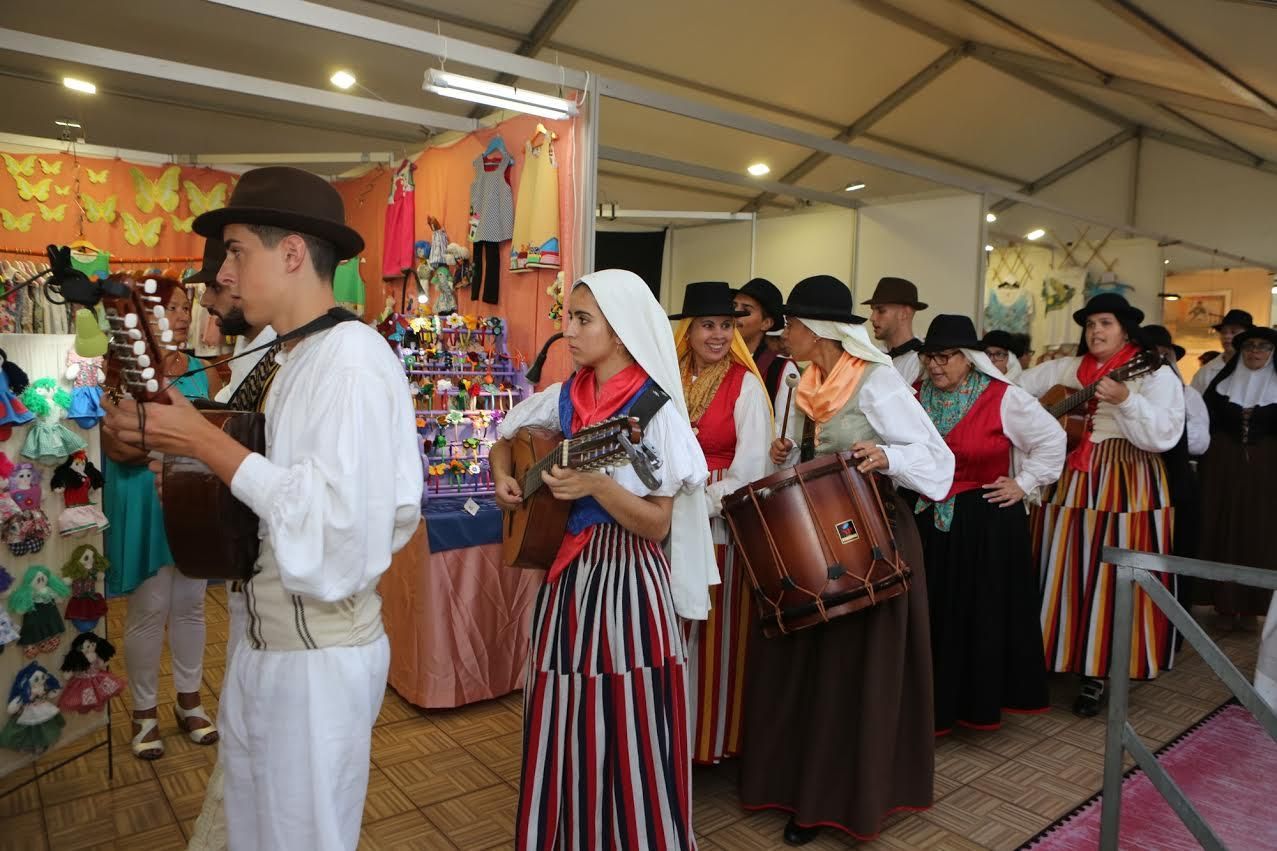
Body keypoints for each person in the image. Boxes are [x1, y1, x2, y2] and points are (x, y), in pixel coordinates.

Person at [102, 166, 422, 851]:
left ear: (293, 253)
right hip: (260, 641)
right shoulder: (272, 357)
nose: (224, 272)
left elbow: (337, 527)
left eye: (237, 250)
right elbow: (254, 480)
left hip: (317, 665)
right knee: (252, 829)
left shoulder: (351, 361)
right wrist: (168, 452)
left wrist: (200, 442)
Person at [489, 269, 714, 850]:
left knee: (628, 712)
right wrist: (504, 477)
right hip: (568, 581)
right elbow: (504, 435)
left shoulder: (654, 411)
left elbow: (657, 522)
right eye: (569, 317)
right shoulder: (566, 396)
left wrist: (598, 486)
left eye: (582, 320)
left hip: (627, 584)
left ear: (620, 332)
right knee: (562, 706)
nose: (567, 331)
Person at [741, 275, 953, 845]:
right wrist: (784, 451)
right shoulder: (801, 381)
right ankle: (796, 785)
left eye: (792, 324)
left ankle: (838, 799)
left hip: (870, 538)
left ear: (818, 330)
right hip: (810, 537)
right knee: (803, 663)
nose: (784, 334)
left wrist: (887, 456)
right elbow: (802, 459)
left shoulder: (878, 382)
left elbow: (938, 462)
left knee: (850, 672)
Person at [1020, 294, 1185, 717]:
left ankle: (1100, 670)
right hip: (1070, 480)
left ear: (1126, 330)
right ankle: (1056, 652)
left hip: (1127, 480)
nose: (1096, 331)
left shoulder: (1153, 372)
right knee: (1061, 566)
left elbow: (1165, 434)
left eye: (1105, 323)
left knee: (1113, 574)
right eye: (1091, 324)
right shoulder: (1068, 369)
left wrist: (1127, 399)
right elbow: (1016, 389)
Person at [912, 315, 1065, 734]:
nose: (935, 366)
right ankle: (929, 708)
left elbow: (1052, 440)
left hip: (984, 523)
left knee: (977, 614)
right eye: (929, 357)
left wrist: (1023, 483)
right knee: (934, 614)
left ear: (968, 358)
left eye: (945, 357)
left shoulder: (1003, 397)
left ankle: (972, 706)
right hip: (927, 520)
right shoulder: (915, 395)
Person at [102, 276, 223, 760]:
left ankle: (190, 701)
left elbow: (217, 435)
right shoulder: (120, 369)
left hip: (192, 497)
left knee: (191, 604)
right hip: (146, 499)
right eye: (170, 307)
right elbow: (118, 446)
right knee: (150, 607)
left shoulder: (201, 371)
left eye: (184, 308)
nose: (179, 316)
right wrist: (184, 440)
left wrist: (171, 439)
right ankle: (144, 712)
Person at [185, 237, 279, 851]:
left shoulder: (308, 359)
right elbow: (232, 427)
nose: (211, 302)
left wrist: (196, 440)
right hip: (251, 581)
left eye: (220, 282)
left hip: (287, 603)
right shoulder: (252, 354)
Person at [670, 282, 771, 765]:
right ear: (688, 330)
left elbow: (752, 470)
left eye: (726, 325)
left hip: (718, 522)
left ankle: (706, 742)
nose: (718, 335)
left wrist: (697, 504)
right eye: (708, 325)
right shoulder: (667, 379)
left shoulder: (745, 385)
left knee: (714, 630)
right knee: (670, 627)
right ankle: (666, 735)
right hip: (663, 517)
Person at [1197, 326, 1277, 629]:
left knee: (1259, 531)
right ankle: (1223, 602)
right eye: (1249, 346)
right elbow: (1205, 422)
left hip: (1267, 472)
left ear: (1272, 353)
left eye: (1263, 347)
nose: (1255, 352)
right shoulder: (1221, 385)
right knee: (1222, 528)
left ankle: (1254, 605)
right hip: (1223, 470)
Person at [1141, 324, 1209, 622]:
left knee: (1175, 546)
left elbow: (1201, 442)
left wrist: (1166, 431)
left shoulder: (1188, 395)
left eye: (1164, 354)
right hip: (1139, 483)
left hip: (1176, 480)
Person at [732, 277, 794, 403]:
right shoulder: (716, 357)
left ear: (766, 323)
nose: (735, 314)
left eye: (746, 310)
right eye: (733, 306)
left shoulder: (781, 369)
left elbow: (785, 416)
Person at [863, 276, 928, 385]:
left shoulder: (921, 361)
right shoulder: (873, 356)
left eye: (881, 311)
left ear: (904, 313)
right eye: (873, 310)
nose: (872, 318)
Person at [1191, 308, 1253, 393]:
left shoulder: (1258, 367)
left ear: (1248, 335)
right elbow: (1193, 398)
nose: (1227, 336)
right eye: (1223, 332)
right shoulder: (1206, 371)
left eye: (1233, 332)